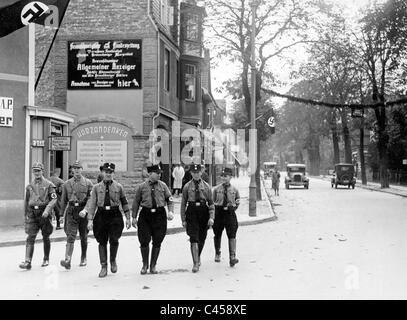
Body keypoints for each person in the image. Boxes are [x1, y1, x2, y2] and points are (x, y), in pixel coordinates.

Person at [82, 162, 131, 278]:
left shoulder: (119, 187)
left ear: (113, 173)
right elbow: (92, 204)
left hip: (115, 215)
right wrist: (90, 220)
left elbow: (124, 202)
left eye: (110, 172)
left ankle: (113, 261)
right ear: (102, 173)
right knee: (102, 241)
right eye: (106, 172)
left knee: (114, 239)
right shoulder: (96, 188)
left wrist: (128, 218)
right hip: (101, 215)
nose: (108, 174)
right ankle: (103, 266)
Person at [132, 164, 174, 274]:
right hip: (145, 215)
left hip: (159, 215)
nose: (159, 175)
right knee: (144, 240)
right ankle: (145, 265)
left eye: (160, 173)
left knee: (158, 240)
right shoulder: (141, 187)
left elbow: (169, 199)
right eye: (157, 173)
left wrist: (170, 211)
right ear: (150, 174)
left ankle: (153, 265)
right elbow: (136, 202)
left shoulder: (163, 186)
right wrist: (134, 217)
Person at [19, 162, 57, 270]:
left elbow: (54, 199)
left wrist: (47, 210)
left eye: (38, 171)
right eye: (35, 171)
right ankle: (27, 261)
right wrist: (25, 214)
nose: (37, 173)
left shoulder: (49, 185)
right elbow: (26, 201)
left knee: (46, 236)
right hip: (32, 213)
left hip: (44, 213)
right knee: (30, 236)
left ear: (42, 171)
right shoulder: (29, 186)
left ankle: (46, 259)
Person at [180, 163, 215, 273]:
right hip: (192, 211)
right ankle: (195, 263)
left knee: (202, 237)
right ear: (191, 173)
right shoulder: (186, 187)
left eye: (198, 172)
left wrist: (211, 217)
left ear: (201, 172)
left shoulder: (207, 186)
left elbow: (211, 204)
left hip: (203, 212)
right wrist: (183, 219)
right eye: (194, 173)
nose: (196, 174)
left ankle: (198, 255)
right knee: (193, 237)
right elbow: (183, 204)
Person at [59, 160, 93, 269]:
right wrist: (61, 215)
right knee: (70, 235)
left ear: (82, 170)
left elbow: (91, 199)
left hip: (83, 211)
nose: (77, 170)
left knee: (83, 236)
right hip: (71, 211)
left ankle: (83, 257)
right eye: (75, 168)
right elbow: (63, 200)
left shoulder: (88, 183)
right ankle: (67, 259)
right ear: (72, 170)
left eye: (79, 168)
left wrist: (86, 210)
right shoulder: (67, 184)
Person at [212, 167, 240, 267]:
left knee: (232, 234)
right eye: (222, 176)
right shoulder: (216, 189)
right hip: (219, 212)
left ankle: (232, 257)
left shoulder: (235, 190)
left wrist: (232, 208)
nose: (224, 178)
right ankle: (218, 253)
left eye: (226, 176)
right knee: (217, 233)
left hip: (230, 213)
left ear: (230, 177)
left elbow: (237, 201)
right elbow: (212, 202)